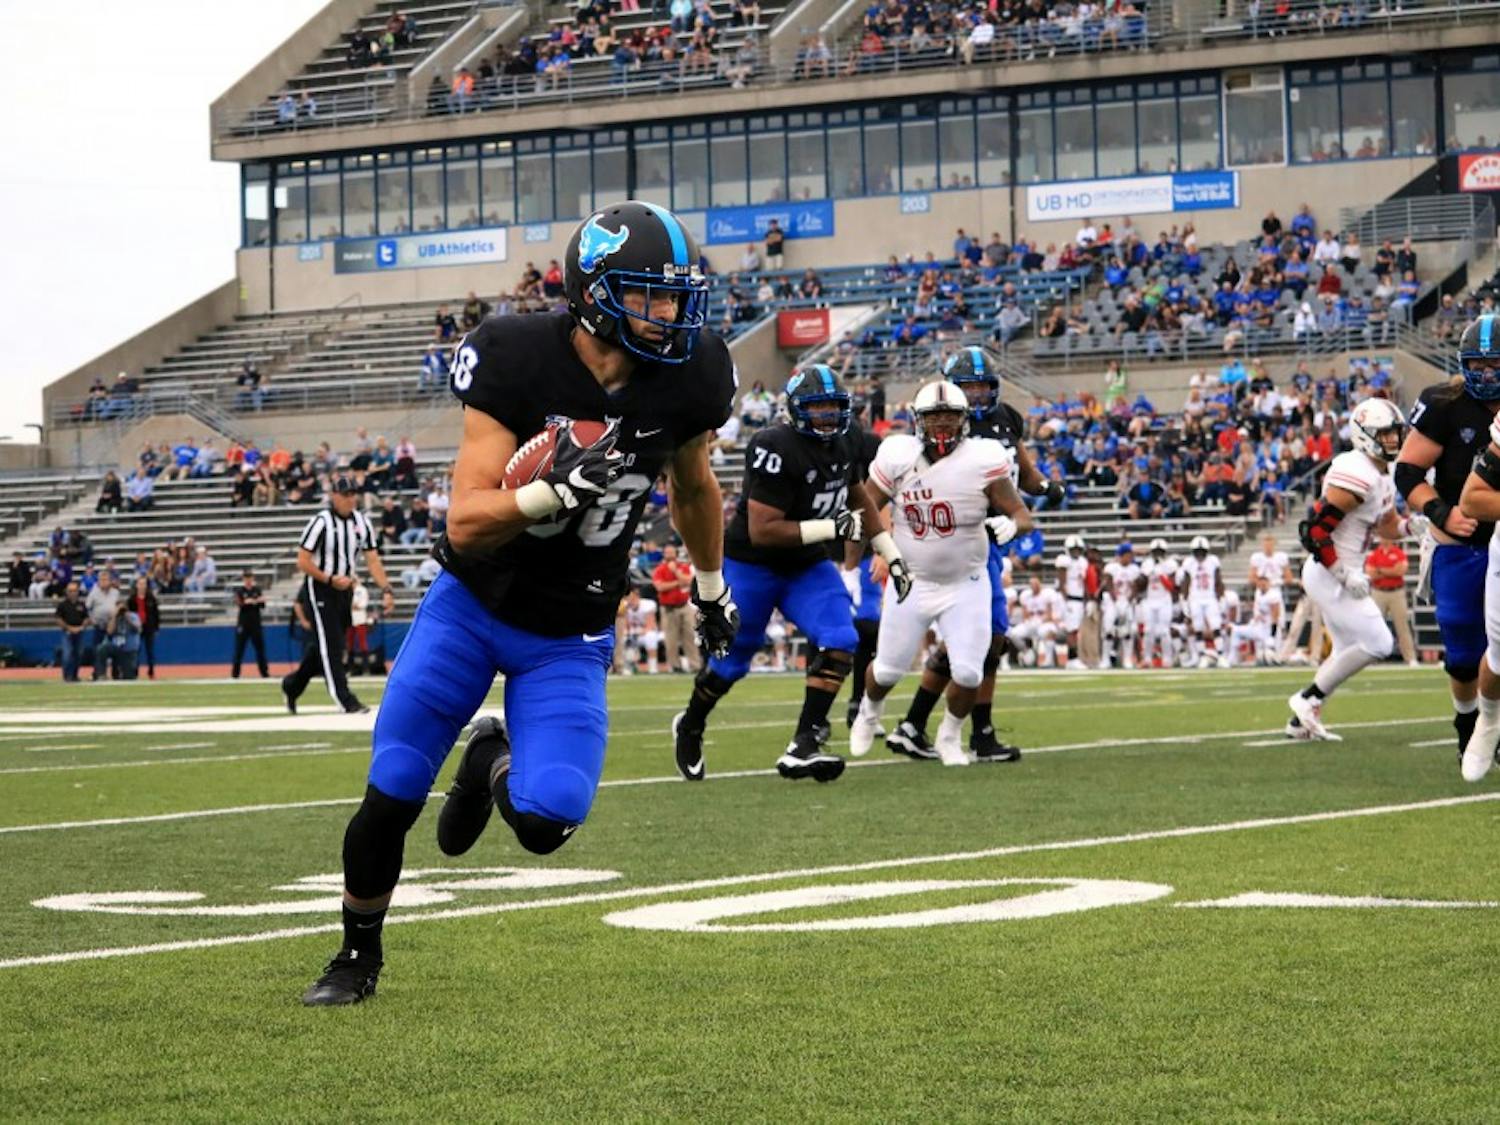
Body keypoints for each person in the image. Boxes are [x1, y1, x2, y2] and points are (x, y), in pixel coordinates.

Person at [301, 201, 738, 1007]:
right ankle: (357, 955)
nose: (673, 314)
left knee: (548, 818)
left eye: (679, 296)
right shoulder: (515, 357)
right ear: (597, 294)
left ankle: (490, 757)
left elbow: (696, 487)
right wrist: (550, 492)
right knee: (392, 788)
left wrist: (712, 589)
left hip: (569, 629)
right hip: (474, 602)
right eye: (652, 295)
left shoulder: (692, 375)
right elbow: (465, 523)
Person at [672, 364, 911, 784]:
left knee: (841, 637)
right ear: (796, 410)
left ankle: (804, 743)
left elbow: (857, 495)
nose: (826, 417)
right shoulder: (774, 445)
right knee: (730, 665)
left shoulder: (849, 438)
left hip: (805, 564)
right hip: (752, 563)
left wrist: (889, 551)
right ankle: (691, 725)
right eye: (816, 408)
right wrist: (832, 529)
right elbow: (763, 531)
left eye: (832, 408)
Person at [884, 347, 1061, 762]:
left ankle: (915, 724)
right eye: (968, 387)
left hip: (995, 537)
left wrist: (1048, 487)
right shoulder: (935, 431)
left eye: (983, 386)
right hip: (960, 539)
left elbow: (1023, 473)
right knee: (989, 637)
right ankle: (976, 733)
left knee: (983, 641)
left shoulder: (1006, 420)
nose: (977, 395)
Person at [849, 380, 1030, 766]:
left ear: (964, 420)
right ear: (918, 420)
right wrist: (858, 563)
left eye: (950, 416)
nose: (942, 424)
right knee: (886, 670)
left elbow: (1021, 513)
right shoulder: (897, 453)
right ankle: (868, 711)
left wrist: (1011, 526)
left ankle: (950, 734)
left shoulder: (983, 457)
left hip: (967, 582)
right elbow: (864, 507)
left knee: (967, 672)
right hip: (911, 581)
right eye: (934, 417)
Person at [1395, 316, 1499, 761]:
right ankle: (1466, 720)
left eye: (1495, 365)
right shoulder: (1445, 402)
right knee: (1461, 651)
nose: (1486, 375)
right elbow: (1407, 470)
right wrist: (1441, 511)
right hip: (1460, 541)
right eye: (1478, 364)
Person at [1288, 398, 1423, 741]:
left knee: (1348, 647)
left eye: (1396, 432)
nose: (1395, 439)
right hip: (1330, 571)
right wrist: (1343, 574)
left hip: (1345, 570)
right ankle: (1307, 699)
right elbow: (1315, 531)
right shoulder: (1356, 472)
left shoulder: (1383, 472)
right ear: (1365, 435)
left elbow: (1386, 525)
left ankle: (1299, 720)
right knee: (1378, 643)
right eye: (1387, 433)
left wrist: (1411, 528)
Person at [281, 477, 392, 718]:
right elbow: (302, 561)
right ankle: (346, 700)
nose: (351, 498)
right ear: (334, 496)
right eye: (346, 494)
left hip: (345, 590)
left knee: (323, 647)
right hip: (321, 588)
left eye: (354, 493)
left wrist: (386, 589)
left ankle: (292, 686)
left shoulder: (362, 523)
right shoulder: (321, 522)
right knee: (333, 645)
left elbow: (372, 559)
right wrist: (329, 579)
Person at [1366, 539, 1417, 666]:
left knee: (1402, 627)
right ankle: (1372, 658)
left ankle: (1410, 658)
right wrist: (1390, 570)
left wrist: (1381, 570)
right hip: (1378, 592)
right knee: (1375, 627)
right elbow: (1371, 573)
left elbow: (1400, 570)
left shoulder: (1398, 553)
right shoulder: (1374, 554)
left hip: (1396, 592)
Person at [1178, 536, 1226, 667]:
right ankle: (1201, 657)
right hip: (1195, 598)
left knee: (1216, 627)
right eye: (1197, 551)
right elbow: (1186, 583)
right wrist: (1184, 600)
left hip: (1210, 597)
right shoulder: (1189, 563)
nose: (1199, 554)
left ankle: (1221, 655)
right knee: (1198, 628)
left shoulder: (1213, 561)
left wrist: (1221, 598)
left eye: (1202, 551)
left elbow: (1218, 581)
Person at [651, 543, 698, 673]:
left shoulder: (683, 567)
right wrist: (678, 582)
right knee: (670, 639)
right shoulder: (659, 569)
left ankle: (695, 665)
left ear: (676, 554)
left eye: (671, 552)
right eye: (667, 552)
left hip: (684, 605)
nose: (669, 555)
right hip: (668, 608)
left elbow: (689, 581)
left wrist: (675, 572)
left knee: (690, 637)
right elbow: (660, 587)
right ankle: (675, 666)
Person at [233, 570, 269, 679]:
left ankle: (264, 673)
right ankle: (235, 674)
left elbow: (262, 603)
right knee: (239, 649)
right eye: (246, 578)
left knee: (260, 649)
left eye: (250, 578)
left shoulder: (257, 590)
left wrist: (254, 601)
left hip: (256, 624)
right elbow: (240, 603)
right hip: (243, 624)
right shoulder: (240, 591)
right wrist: (250, 602)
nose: (248, 580)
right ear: (243, 579)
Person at [55, 581, 88, 682]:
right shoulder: (62, 605)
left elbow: (86, 618)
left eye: (74, 591)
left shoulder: (81, 604)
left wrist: (82, 627)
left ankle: (75, 675)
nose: (72, 593)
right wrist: (69, 628)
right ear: (67, 592)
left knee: (78, 654)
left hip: (79, 632)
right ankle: (67, 676)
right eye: (70, 591)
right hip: (67, 633)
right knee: (67, 654)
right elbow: (58, 619)